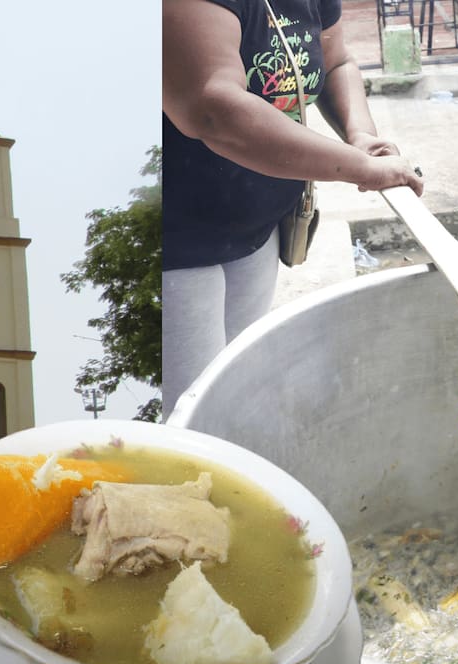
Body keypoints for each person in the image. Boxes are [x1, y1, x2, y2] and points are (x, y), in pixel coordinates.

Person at [161, 0, 424, 416]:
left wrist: (361, 135)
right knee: (191, 413)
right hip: (177, 241)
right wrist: (361, 169)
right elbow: (214, 110)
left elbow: (336, 61)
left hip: (257, 227)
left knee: (234, 384)